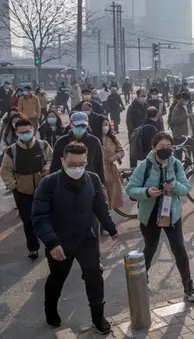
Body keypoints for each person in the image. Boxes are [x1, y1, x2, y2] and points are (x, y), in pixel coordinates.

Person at [32, 142, 118, 332]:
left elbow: (100, 206)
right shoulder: (49, 183)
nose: (77, 168)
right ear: (62, 161)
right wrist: (52, 243)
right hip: (60, 242)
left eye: (81, 164)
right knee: (57, 276)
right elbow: (39, 216)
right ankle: (51, 311)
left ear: (86, 161)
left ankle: (98, 317)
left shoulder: (93, 179)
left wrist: (111, 228)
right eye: (72, 164)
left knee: (94, 275)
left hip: (86, 238)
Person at [125, 132, 194, 301]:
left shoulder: (176, 165)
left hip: (171, 214)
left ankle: (188, 286)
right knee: (150, 248)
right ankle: (142, 279)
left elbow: (186, 189)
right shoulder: (145, 166)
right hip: (150, 215)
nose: (165, 150)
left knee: (179, 248)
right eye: (161, 147)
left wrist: (174, 186)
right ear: (154, 148)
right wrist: (147, 192)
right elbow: (130, 189)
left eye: (168, 147)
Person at [0, 118, 52, 260]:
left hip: (43, 190)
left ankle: (51, 244)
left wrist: (47, 168)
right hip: (23, 192)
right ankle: (33, 248)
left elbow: (51, 160)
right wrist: (14, 186)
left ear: (33, 130)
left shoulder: (43, 145)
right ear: (17, 133)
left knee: (48, 218)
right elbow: (5, 170)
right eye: (22, 132)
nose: (26, 134)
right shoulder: (12, 151)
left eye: (28, 131)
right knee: (28, 221)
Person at [50, 112, 105, 183]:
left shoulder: (94, 142)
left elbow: (99, 165)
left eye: (83, 126)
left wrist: (101, 183)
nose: (80, 128)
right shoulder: (61, 142)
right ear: (71, 125)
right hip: (66, 182)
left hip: (89, 182)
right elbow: (55, 165)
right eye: (77, 125)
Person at [169, 91, 194, 164]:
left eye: (187, 100)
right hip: (181, 135)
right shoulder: (177, 108)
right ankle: (181, 168)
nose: (186, 101)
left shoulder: (189, 106)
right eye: (185, 100)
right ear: (181, 99)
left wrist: (193, 117)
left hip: (191, 133)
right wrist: (185, 116)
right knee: (179, 154)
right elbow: (175, 121)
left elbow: (193, 117)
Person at [101, 117, 125, 211]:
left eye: (107, 125)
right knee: (103, 196)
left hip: (111, 169)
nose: (105, 127)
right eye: (103, 125)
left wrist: (114, 157)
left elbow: (121, 151)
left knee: (112, 195)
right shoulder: (95, 139)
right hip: (100, 170)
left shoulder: (113, 138)